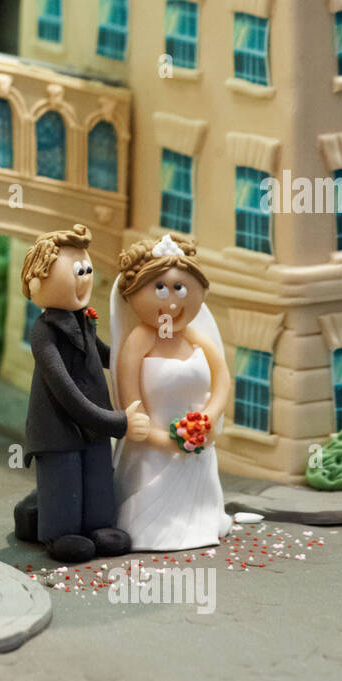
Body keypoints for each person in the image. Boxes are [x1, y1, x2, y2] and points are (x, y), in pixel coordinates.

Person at [16, 225, 149, 563]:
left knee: (98, 481)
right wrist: (116, 422)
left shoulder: (85, 321)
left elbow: (107, 355)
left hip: (93, 430)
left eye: (86, 269)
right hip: (57, 431)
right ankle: (59, 533)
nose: (85, 277)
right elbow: (66, 393)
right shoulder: (43, 333)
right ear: (37, 283)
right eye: (77, 271)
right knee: (65, 486)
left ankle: (98, 526)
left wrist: (139, 352)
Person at [109, 235, 232, 551]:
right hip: (152, 450)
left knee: (199, 498)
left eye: (181, 288)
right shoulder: (139, 341)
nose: (173, 302)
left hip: (197, 444)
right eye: (160, 289)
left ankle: (204, 518)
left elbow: (222, 381)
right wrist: (167, 440)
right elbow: (130, 403)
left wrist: (208, 419)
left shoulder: (195, 338)